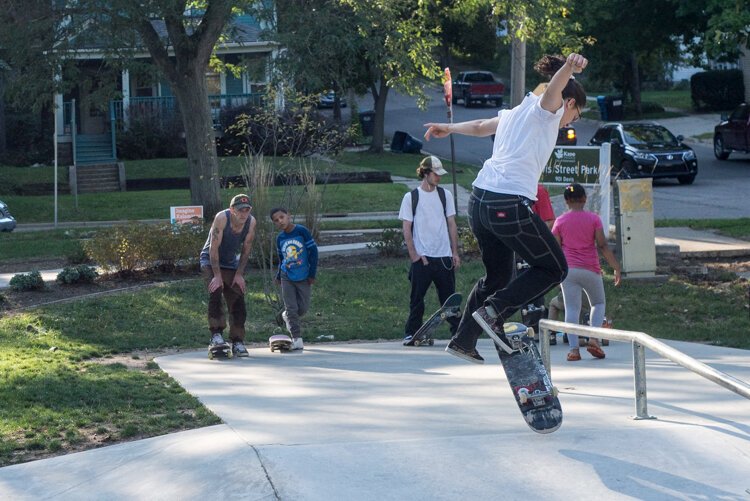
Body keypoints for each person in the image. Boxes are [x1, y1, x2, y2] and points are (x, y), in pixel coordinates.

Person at [423, 53, 588, 364]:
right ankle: (495, 312)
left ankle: (463, 339)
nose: (571, 122)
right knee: (555, 268)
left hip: (479, 203)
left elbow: (483, 125)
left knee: (497, 278)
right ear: (569, 104)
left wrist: (450, 127)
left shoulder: (515, 112)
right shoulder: (546, 111)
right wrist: (569, 67)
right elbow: (554, 90)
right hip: (506, 204)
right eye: (576, 115)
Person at [551, 183, 621, 361]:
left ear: (566, 200)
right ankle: (594, 340)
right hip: (590, 269)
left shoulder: (560, 221)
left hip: (569, 271)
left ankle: (574, 350)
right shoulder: (594, 219)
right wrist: (616, 267)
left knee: (571, 308)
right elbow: (602, 245)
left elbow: (555, 248)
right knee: (598, 304)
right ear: (584, 199)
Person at [398, 156, 461, 343]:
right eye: (435, 174)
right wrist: (414, 255)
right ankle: (412, 331)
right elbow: (406, 227)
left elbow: (452, 224)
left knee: (449, 300)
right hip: (423, 258)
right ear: (425, 173)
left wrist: (454, 252)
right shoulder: (411, 197)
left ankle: (457, 333)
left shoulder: (445, 195)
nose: (438, 177)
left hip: (443, 257)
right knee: (417, 299)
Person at [199, 193, 257, 357]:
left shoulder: (251, 222)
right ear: (232, 209)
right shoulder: (221, 218)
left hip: (231, 263)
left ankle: (237, 341)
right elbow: (213, 248)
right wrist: (217, 276)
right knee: (215, 291)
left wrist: (239, 274)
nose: (244, 214)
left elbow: (246, 250)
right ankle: (216, 335)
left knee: (238, 296)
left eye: (247, 210)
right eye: (240, 210)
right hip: (211, 261)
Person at [271, 207, 319, 350]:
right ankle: (296, 338)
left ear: (288, 216)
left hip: (303, 275)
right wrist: (279, 275)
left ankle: (287, 315)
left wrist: (312, 274)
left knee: (302, 308)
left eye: (282, 217)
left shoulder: (301, 231)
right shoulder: (280, 238)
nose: (280, 221)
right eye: (276, 220)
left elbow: (313, 253)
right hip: (287, 275)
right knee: (291, 307)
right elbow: (281, 259)